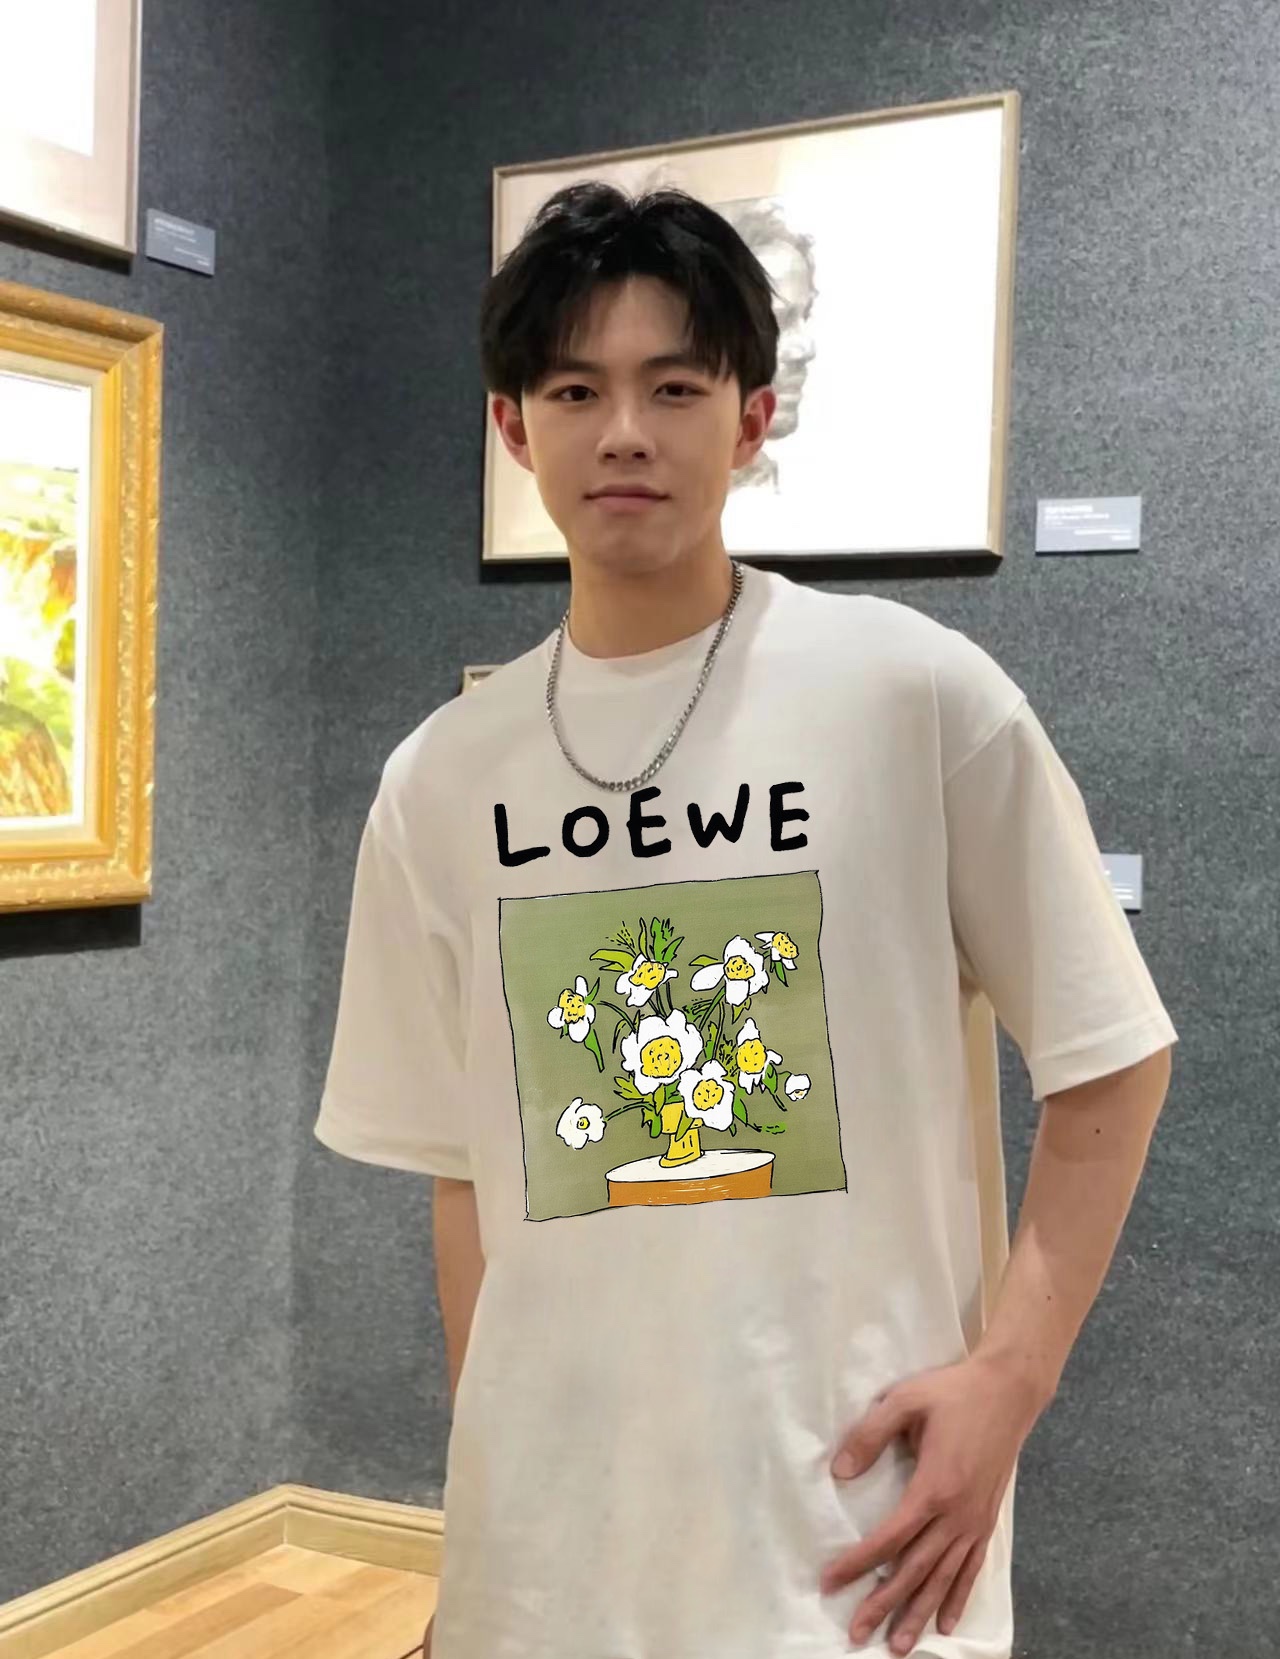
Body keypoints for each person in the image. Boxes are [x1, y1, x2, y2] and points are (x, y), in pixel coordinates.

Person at [313, 182, 1177, 1659]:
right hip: (560, 1564)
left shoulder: (917, 698)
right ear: (514, 428)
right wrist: (497, 1488)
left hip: (858, 1538)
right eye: (574, 391)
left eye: (675, 387)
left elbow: (1112, 1055)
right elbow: (464, 1175)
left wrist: (1011, 1382)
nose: (624, 433)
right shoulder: (438, 780)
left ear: (753, 419)